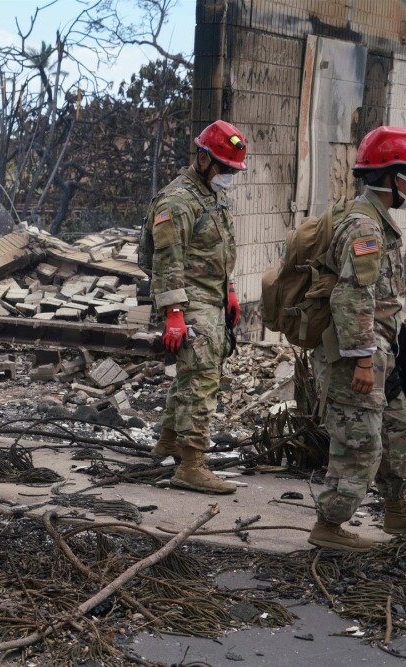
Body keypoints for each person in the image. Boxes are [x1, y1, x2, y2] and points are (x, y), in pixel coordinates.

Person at [306, 126, 406, 552]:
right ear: (389, 178)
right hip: (356, 357)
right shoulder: (364, 228)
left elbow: (383, 295)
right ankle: (329, 525)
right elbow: (353, 298)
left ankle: (396, 508)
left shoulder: (377, 222)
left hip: (382, 351)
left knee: (400, 428)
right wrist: (364, 361)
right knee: (361, 444)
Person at [147, 120, 246, 495]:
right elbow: (167, 260)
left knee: (192, 374)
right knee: (203, 378)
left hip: (211, 296)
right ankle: (191, 464)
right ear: (203, 159)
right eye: (225, 168)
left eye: (233, 170)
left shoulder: (211, 195)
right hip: (188, 300)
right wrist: (173, 314)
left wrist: (230, 289)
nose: (229, 177)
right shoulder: (177, 201)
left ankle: (169, 441)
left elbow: (219, 250)